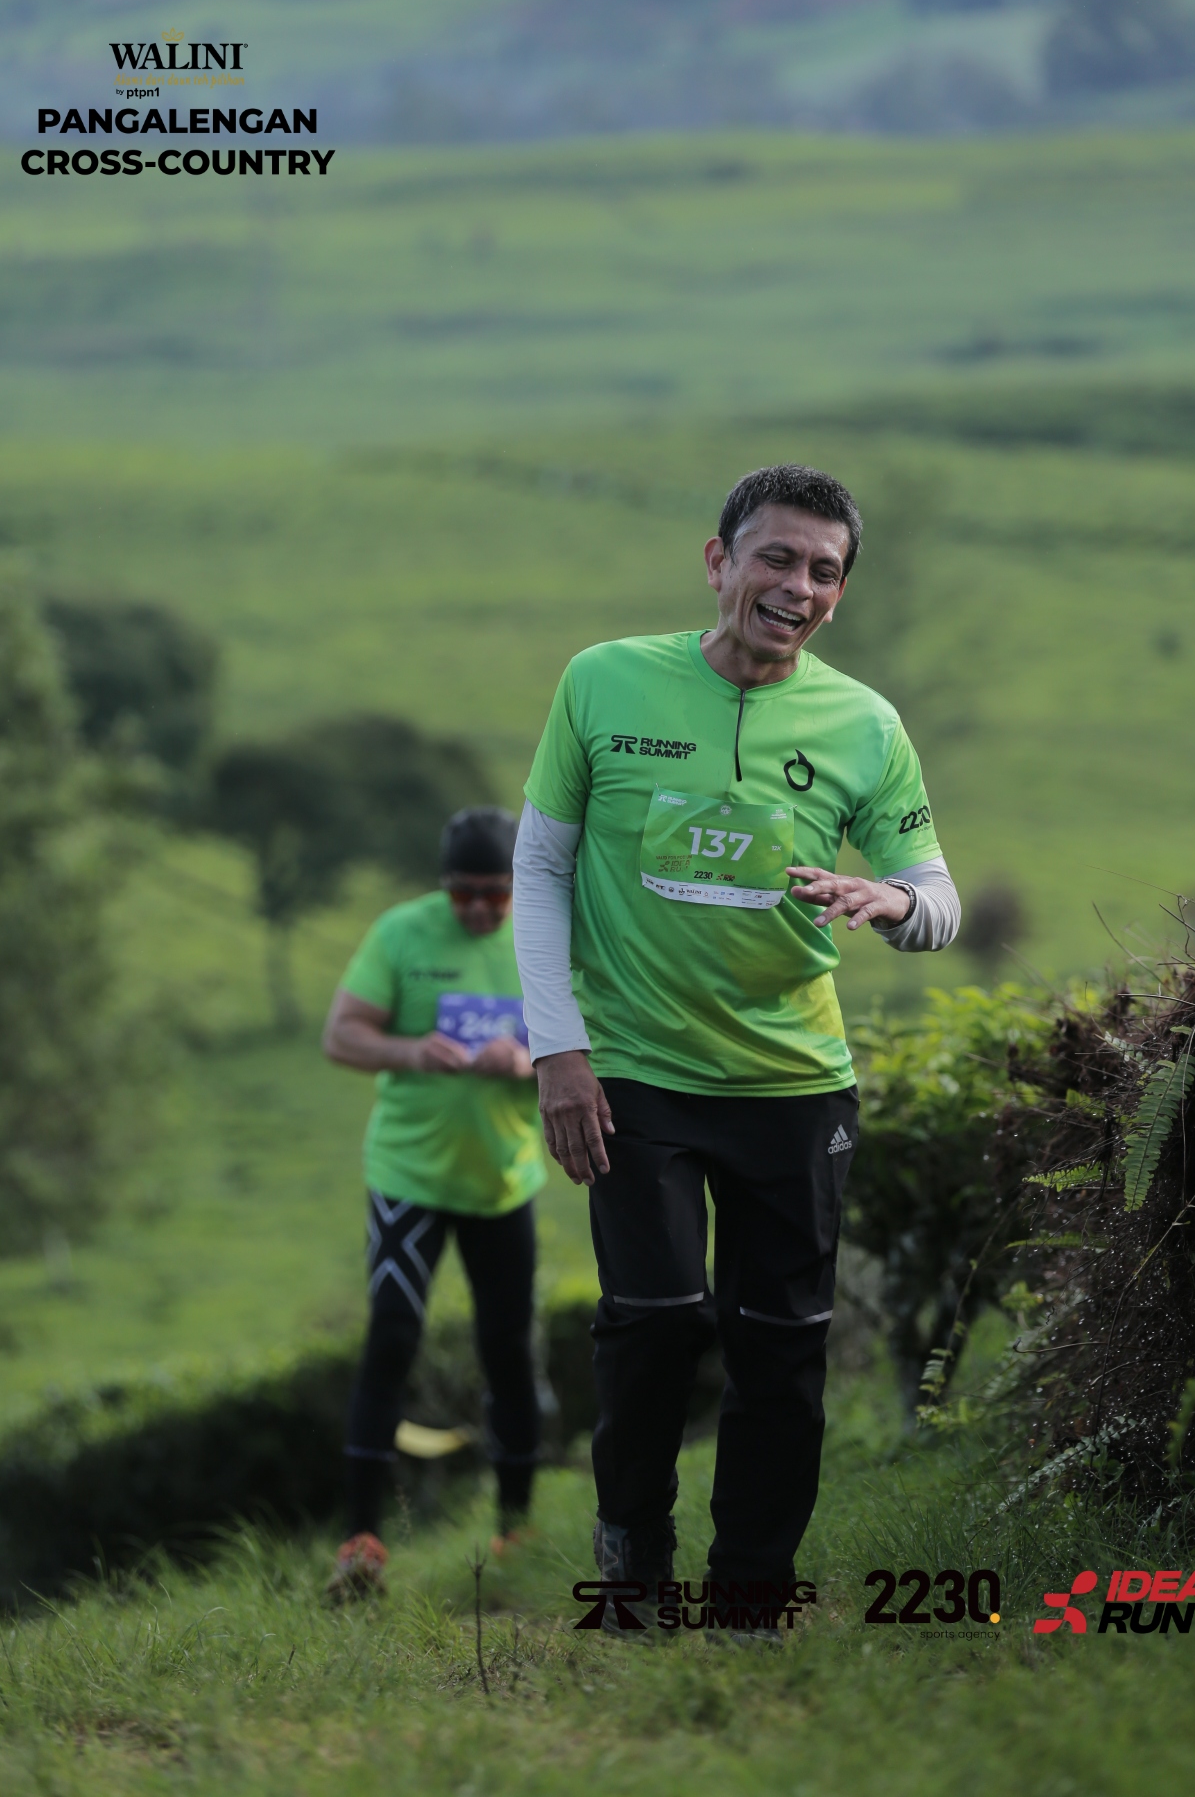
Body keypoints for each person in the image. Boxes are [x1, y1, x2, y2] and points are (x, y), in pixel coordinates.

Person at [512, 463, 960, 1614]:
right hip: (633, 1070)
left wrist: (891, 902)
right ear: (718, 562)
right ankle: (632, 1566)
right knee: (653, 1322)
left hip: (792, 1083)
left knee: (781, 1344)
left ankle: (751, 1598)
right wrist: (558, 1048)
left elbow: (935, 898)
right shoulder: (602, 680)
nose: (797, 586)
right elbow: (541, 865)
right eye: (776, 558)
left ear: (838, 594)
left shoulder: (863, 724)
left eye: (824, 571)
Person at [322, 806, 545, 1601]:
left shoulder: (546, 933)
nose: (478, 909)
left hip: (502, 1182)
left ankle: (515, 1526)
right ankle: (361, 1541)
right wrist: (412, 1050)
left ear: (517, 884)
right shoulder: (401, 933)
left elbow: (602, 1038)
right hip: (409, 1178)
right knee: (391, 1337)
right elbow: (342, 1034)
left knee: (508, 1350)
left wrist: (528, 1065)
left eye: (494, 893)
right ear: (443, 886)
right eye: (462, 894)